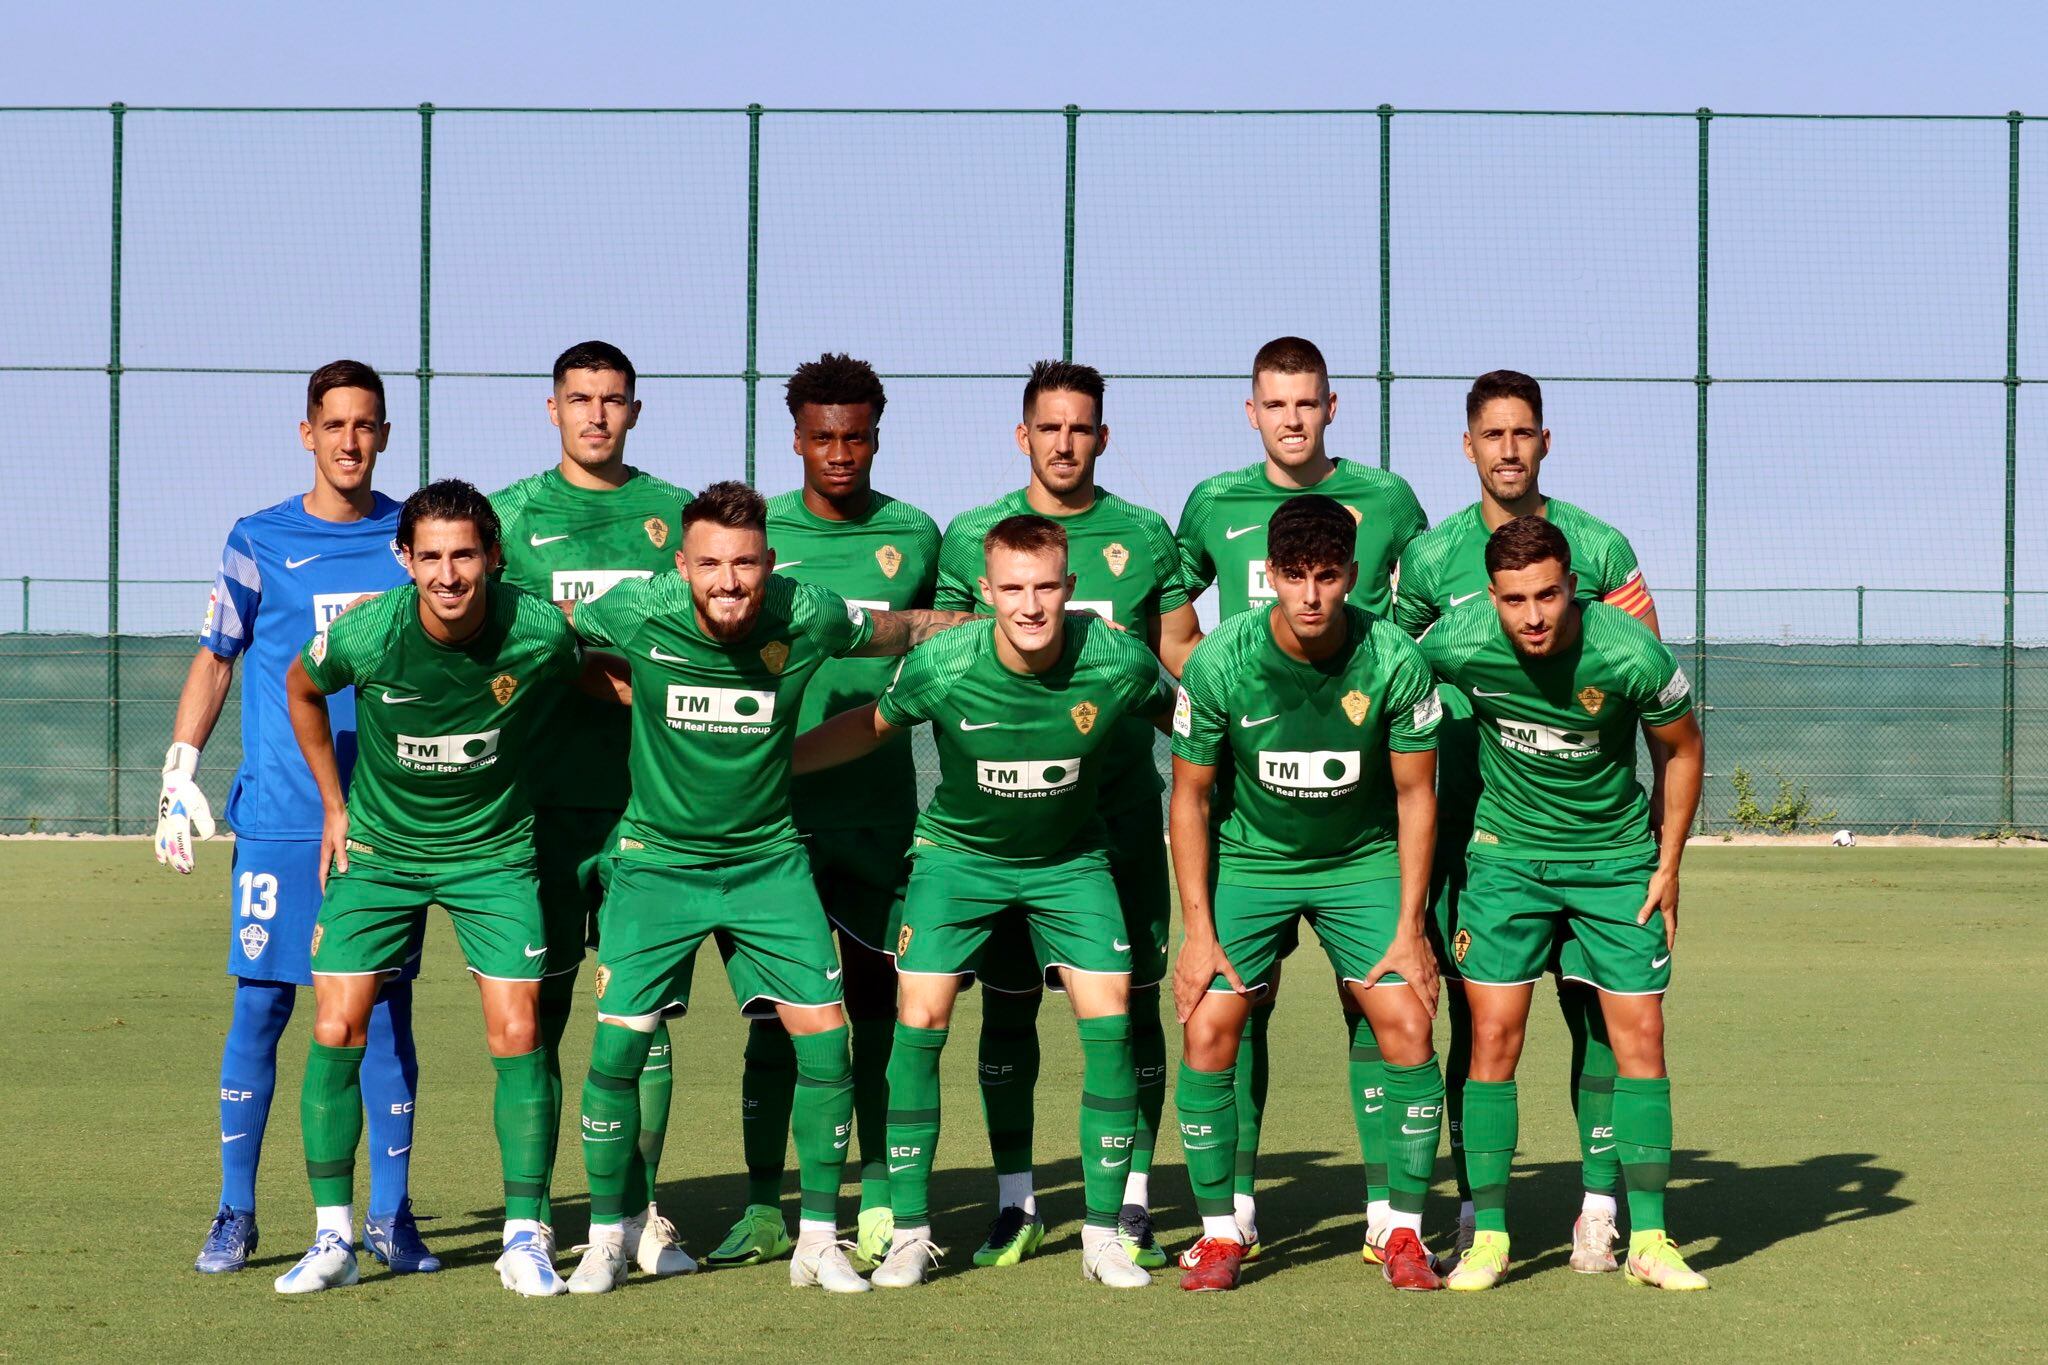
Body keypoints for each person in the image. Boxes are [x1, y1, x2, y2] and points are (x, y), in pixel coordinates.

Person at [557, 481, 969, 1295]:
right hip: (656, 862)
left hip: (768, 860)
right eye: (710, 564)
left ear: (769, 563)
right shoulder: (638, 609)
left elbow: (904, 628)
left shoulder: (808, 610)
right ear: (681, 565)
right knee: (617, 1048)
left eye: (745, 564)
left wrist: (1004, 623)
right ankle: (609, 1234)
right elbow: (543, 635)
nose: (729, 581)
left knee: (826, 1042)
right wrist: (630, 687)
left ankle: (818, 1240)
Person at [794, 513, 1175, 1290]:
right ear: (986, 591)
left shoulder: (1118, 661)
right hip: (957, 860)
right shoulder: (942, 662)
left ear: (1069, 589)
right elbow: (868, 727)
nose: (1030, 605)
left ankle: (1103, 1234)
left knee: (1110, 1025)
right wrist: (775, 767)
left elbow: (1190, 728)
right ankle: (909, 1232)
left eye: (1044, 587)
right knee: (921, 1018)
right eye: (1012, 588)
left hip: (1070, 861)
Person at [275, 479, 626, 1297]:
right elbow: (300, 687)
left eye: (463, 553)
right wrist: (334, 803)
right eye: (429, 555)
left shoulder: (534, 628)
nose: (447, 573)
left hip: (492, 854)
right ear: (406, 559)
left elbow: (598, 678)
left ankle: (524, 1235)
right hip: (382, 850)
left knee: (517, 1029)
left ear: (494, 556)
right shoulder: (367, 630)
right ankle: (332, 1238)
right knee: (335, 1020)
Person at [157, 360, 436, 1277]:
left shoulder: (411, 539)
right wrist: (180, 765)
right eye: (336, 424)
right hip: (280, 815)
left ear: (386, 435)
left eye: (368, 424)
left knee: (384, 1012)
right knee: (264, 1006)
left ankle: (391, 1218)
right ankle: (236, 1210)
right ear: (307, 432)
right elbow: (216, 654)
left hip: (384, 822)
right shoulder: (258, 538)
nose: (352, 440)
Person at [928, 360, 1199, 1270]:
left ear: (1102, 437)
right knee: (1007, 1008)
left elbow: (1181, 672)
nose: (1065, 441)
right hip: (1008, 823)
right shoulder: (975, 536)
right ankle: (1015, 1201)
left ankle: (1128, 1202)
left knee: (1133, 1008)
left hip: (1119, 814)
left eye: (1081, 427)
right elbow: (959, 654)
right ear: (1024, 435)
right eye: (1049, 426)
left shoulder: (1144, 535)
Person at [1394, 368, 1662, 1272]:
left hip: (1586, 829)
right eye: (1491, 435)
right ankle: (1478, 1206)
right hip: (1476, 823)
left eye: (1523, 433)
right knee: (1481, 1017)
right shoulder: (1432, 561)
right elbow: (1402, 680)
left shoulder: (1598, 543)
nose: (1508, 450)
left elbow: (1636, 673)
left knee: (1596, 1010)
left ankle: (1597, 1205)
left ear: (1546, 440)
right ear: (1467, 446)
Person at [1172, 335, 1430, 1254]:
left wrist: (1410, 923)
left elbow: (1414, 793)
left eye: (1306, 402)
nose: (1313, 592)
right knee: (1215, 1017)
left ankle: (1399, 1225)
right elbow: (1190, 795)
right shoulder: (1222, 647)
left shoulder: (1390, 521)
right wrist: (1219, 703)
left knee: (1401, 1012)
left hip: (1359, 852)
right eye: (1274, 403)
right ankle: (1219, 1227)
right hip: (1254, 849)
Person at [1417, 515, 1706, 1293]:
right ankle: (1492, 1236)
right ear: (1491, 596)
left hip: (1614, 863)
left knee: (1641, 1032)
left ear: (1572, 586)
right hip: (1506, 860)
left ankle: (1647, 1235)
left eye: (1547, 594)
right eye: (1515, 599)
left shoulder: (1628, 649)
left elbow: (1680, 747)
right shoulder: (1457, 637)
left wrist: (1668, 861)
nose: (1533, 615)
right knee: (1493, 1039)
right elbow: (1389, 685)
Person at [707, 354, 941, 1274]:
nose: (839, 452)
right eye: (821, 436)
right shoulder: (756, 539)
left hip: (882, 813)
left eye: (855, 436)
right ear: (795, 436)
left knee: (880, 1010)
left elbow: (943, 646)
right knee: (779, 1017)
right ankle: (769, 1207)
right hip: (772, 819)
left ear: (876, 434)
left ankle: (878, 1199)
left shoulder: (915, 533)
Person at [489, 339, 694, 1279]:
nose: (598, 415)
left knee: (640, 1018)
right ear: (553, 408)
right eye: (581, 399)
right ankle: (530, 1220)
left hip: (649, 808)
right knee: (538, 1012)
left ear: (635, 410)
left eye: (614, 400)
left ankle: (640, 1213)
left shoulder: (672, 518)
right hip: (533, 807)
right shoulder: (509, 519)